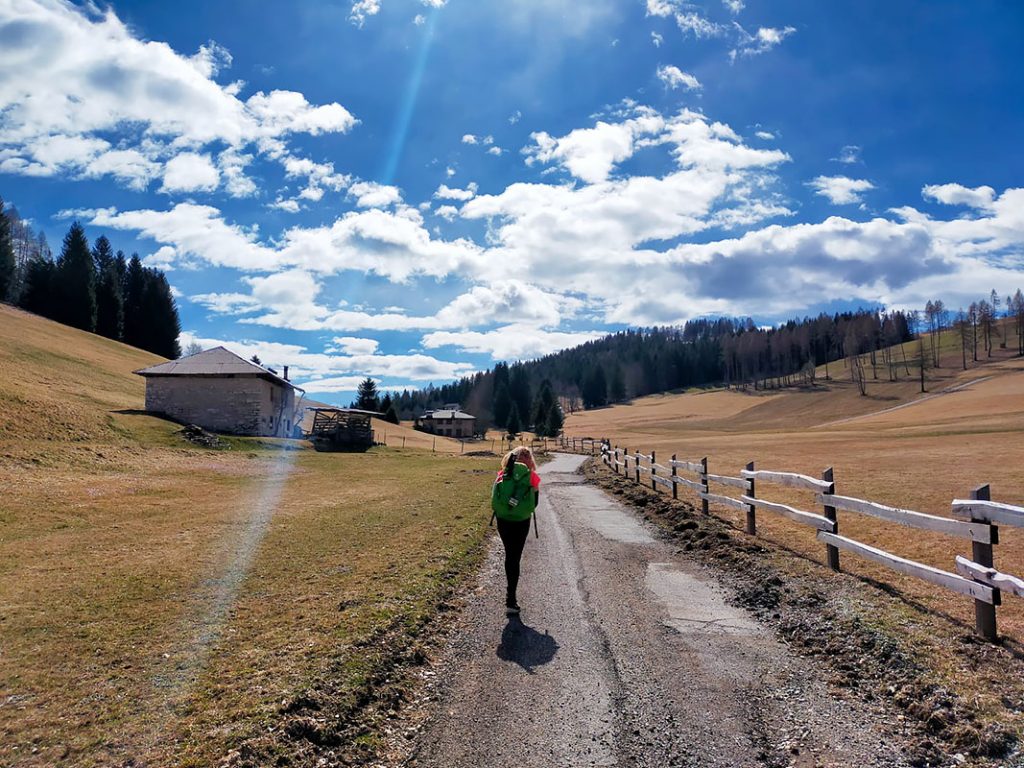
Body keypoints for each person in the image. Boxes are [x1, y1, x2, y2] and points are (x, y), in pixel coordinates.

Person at [490, 446, 541, 617]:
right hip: (521, 522)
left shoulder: (503, 474)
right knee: (515, 557)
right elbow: (535, 504)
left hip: (503, 520)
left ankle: (510, 598)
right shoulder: (532, 477)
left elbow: (495, 497)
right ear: (530, 460)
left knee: (508, 553)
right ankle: (511, 599)